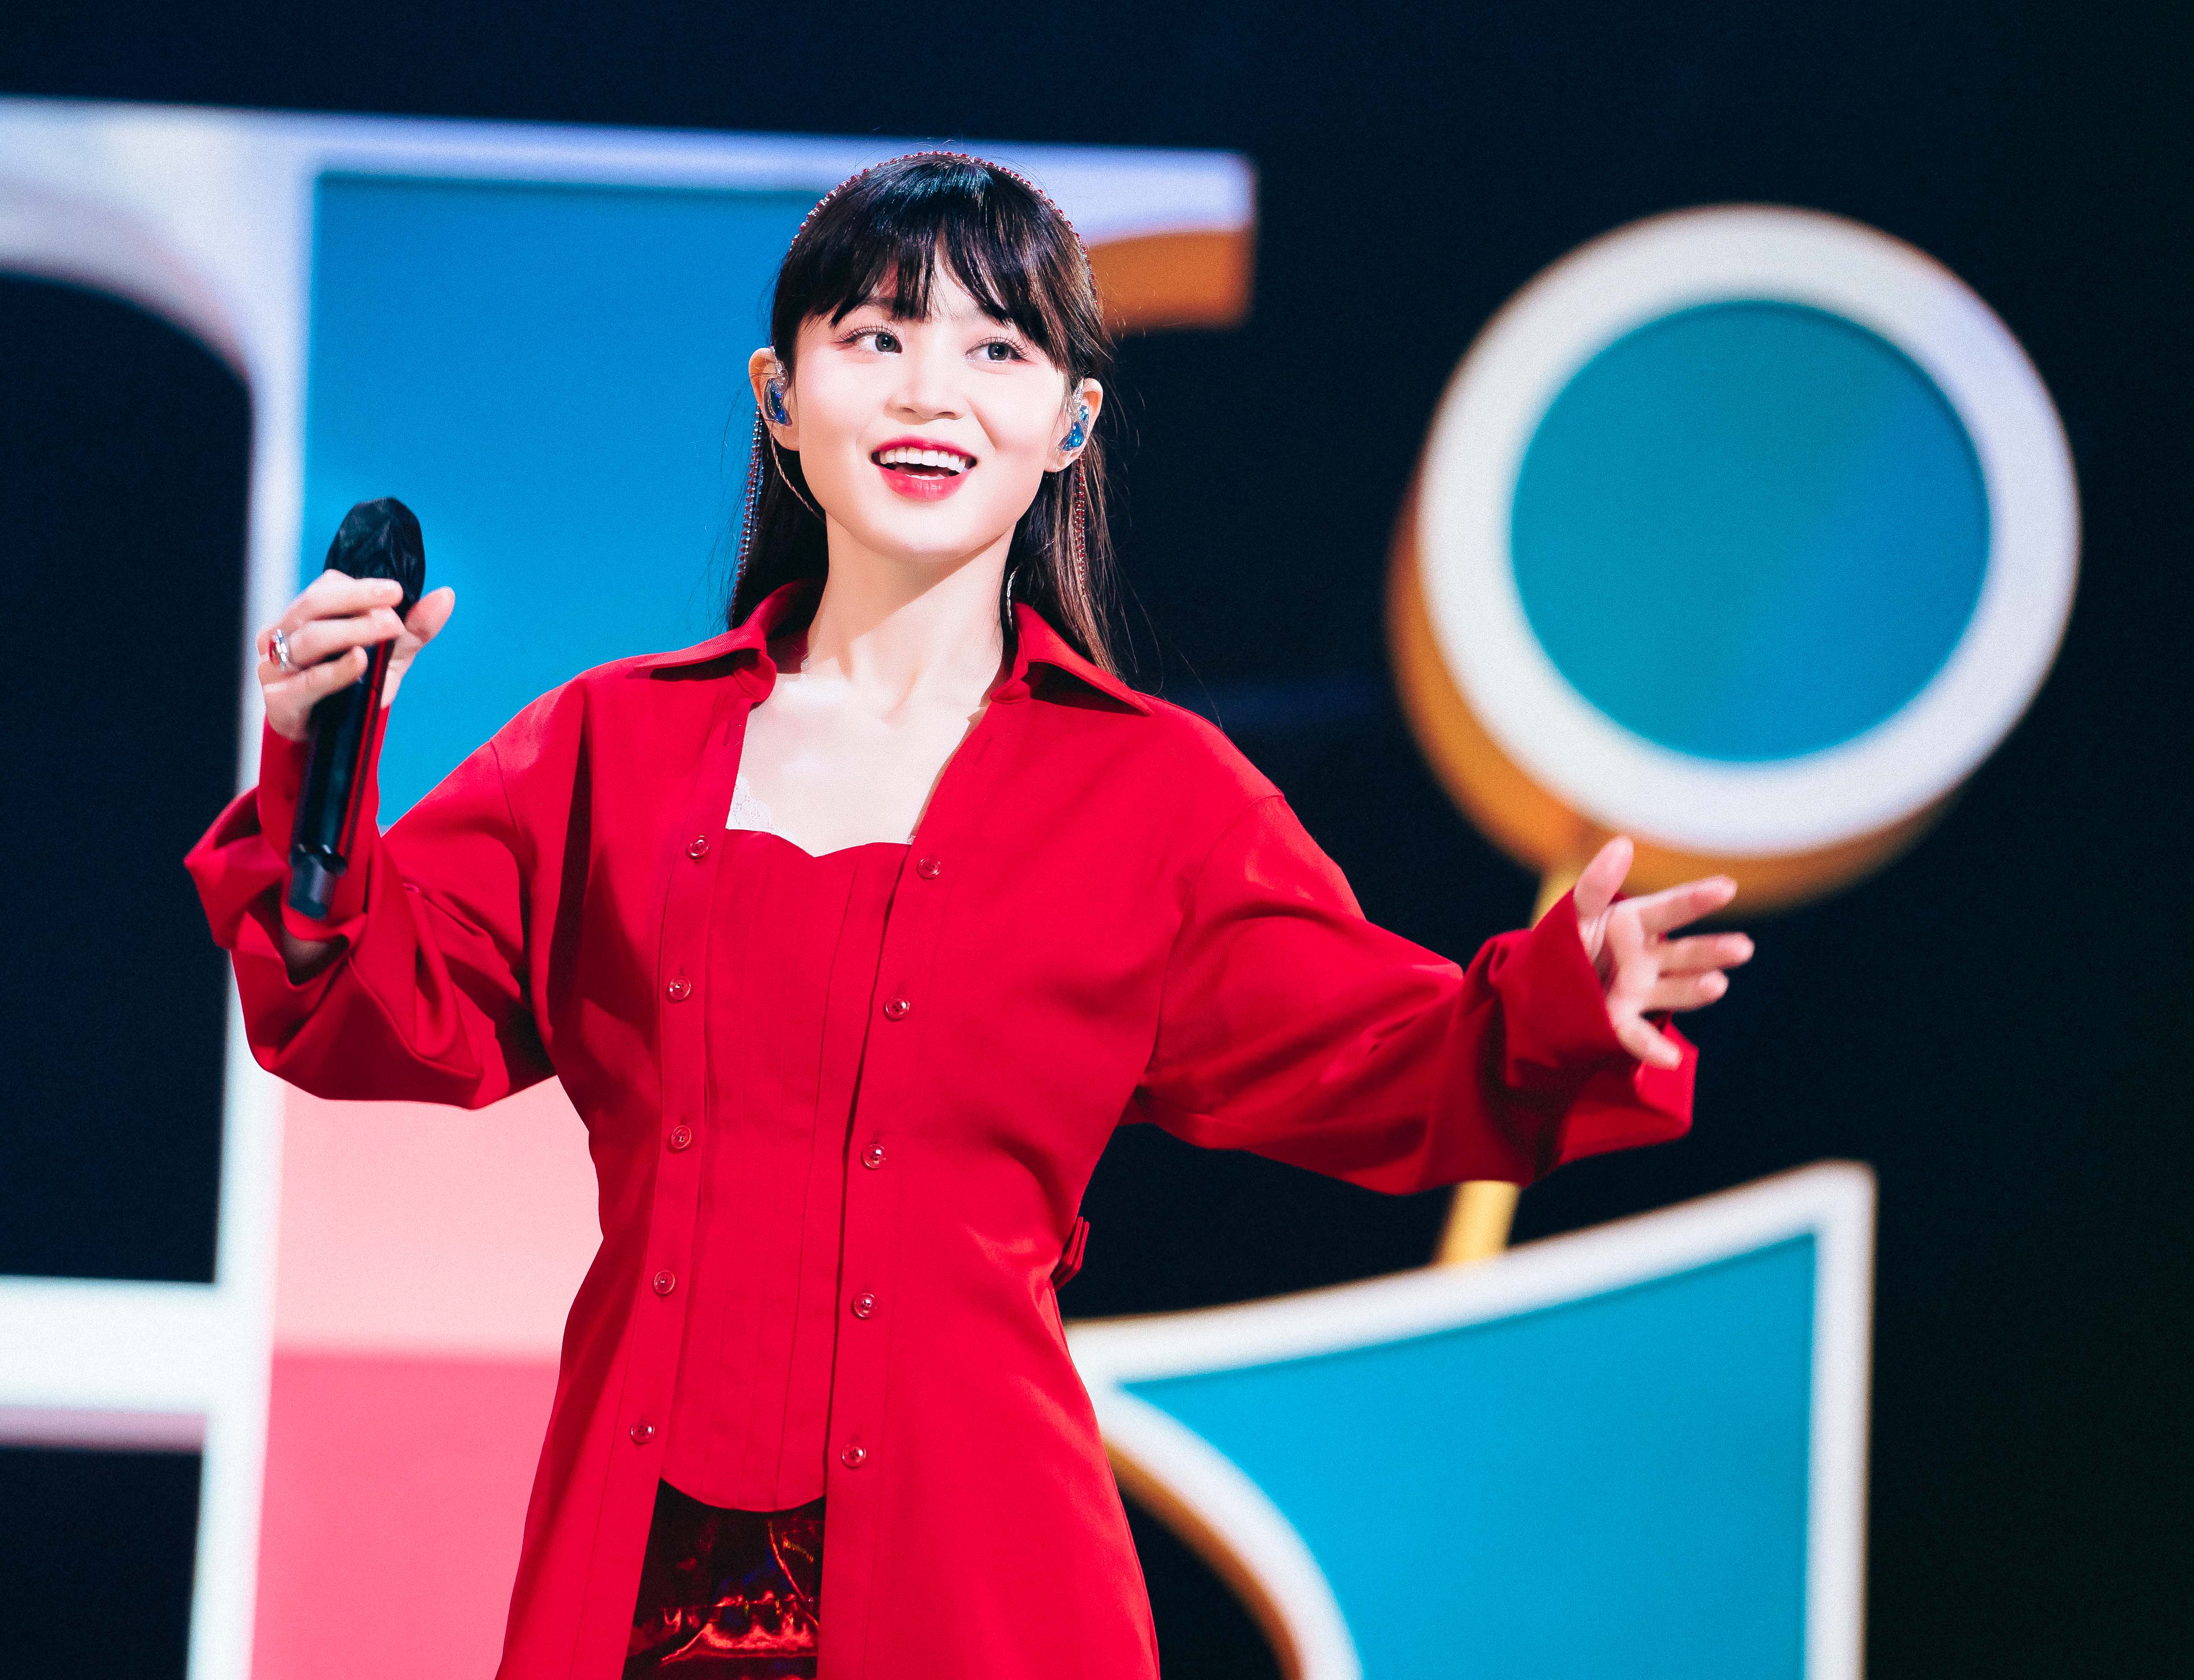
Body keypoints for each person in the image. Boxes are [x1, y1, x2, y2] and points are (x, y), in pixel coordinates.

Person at [186, 154, 1751, 1680]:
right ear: (780, 396)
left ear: (1070, 423)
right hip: (644, 1571)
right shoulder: (615, 745)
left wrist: (1570, 1001)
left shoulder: (1155, 798)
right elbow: (366, 999)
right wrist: (318, 766)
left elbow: (1394, 1058)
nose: (931, 393)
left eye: (996, 349)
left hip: (974, 1571)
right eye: (877, 338)